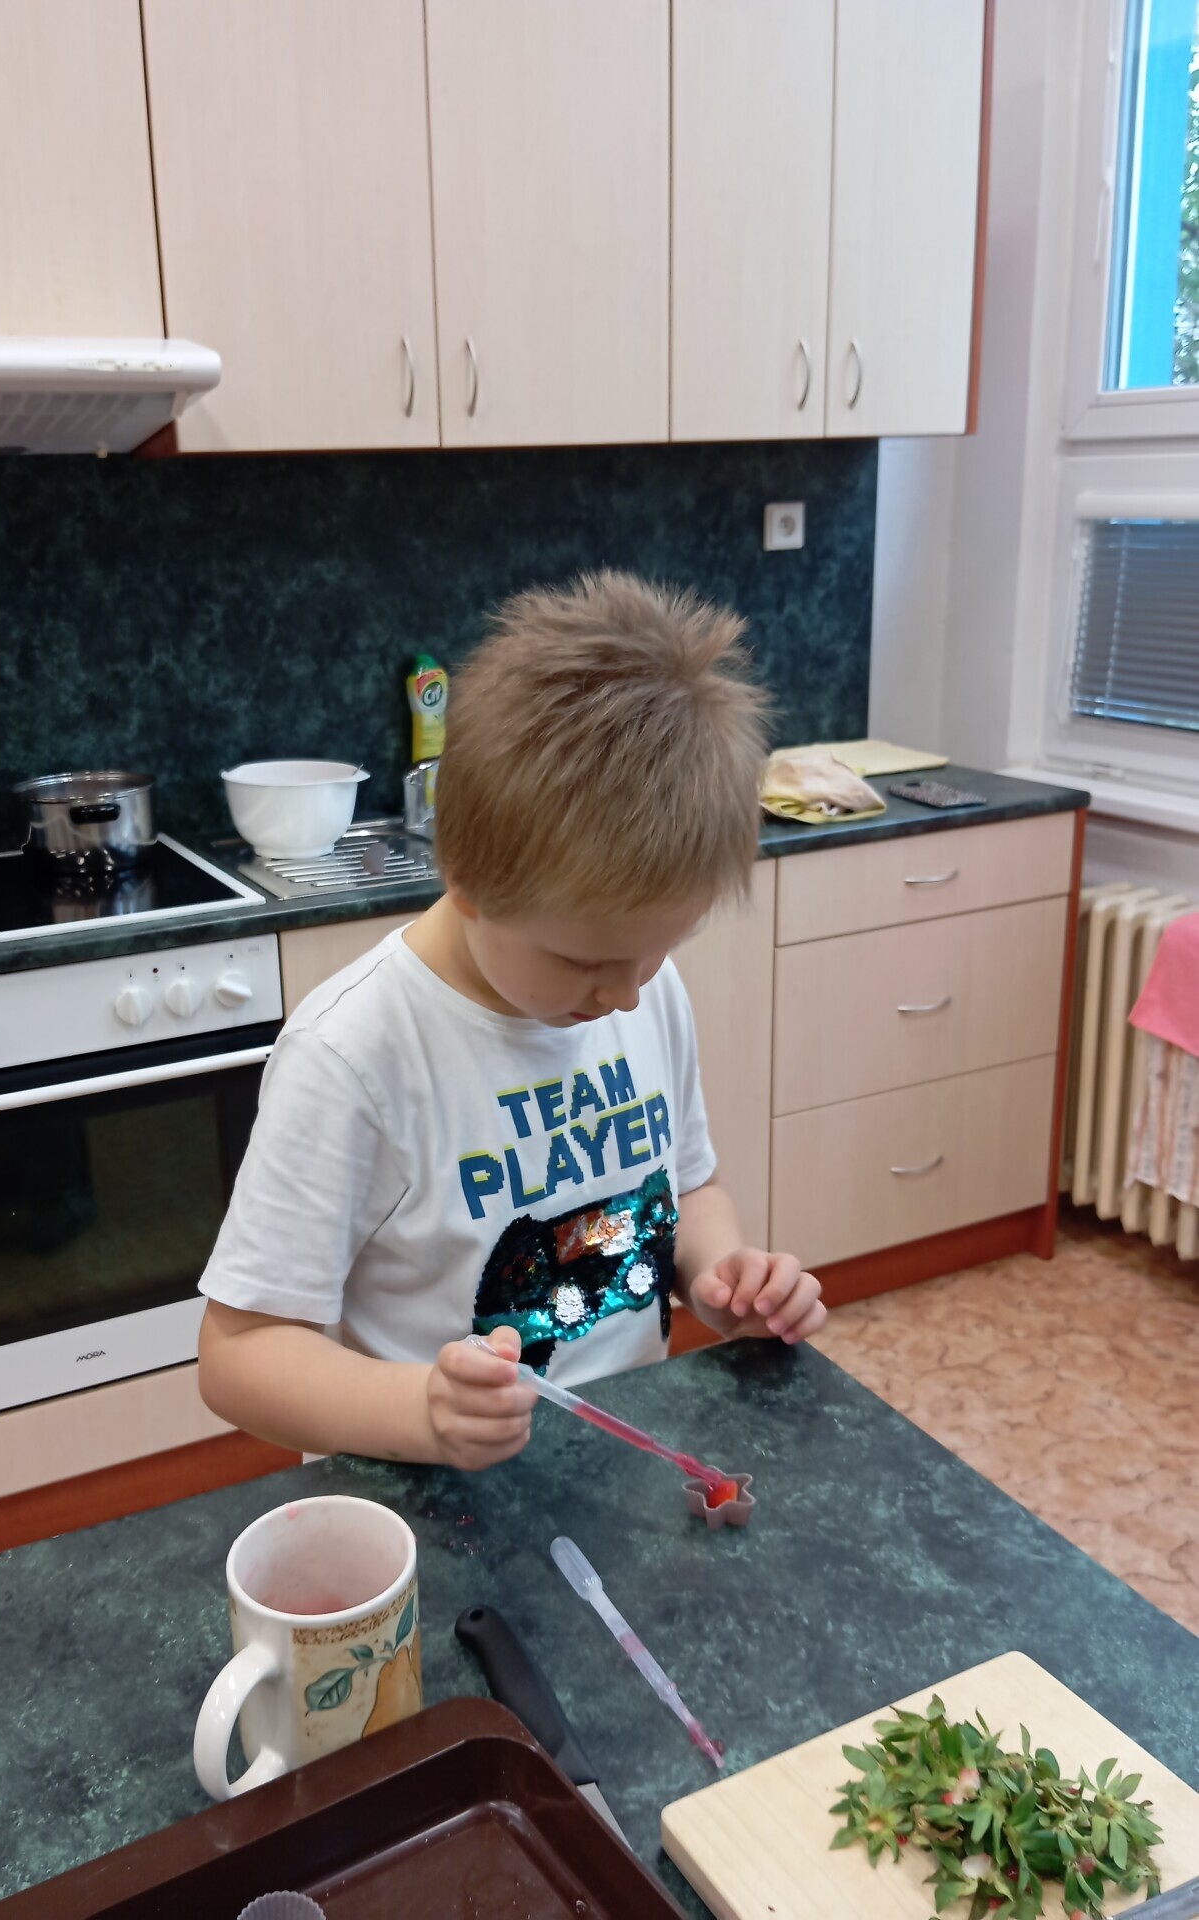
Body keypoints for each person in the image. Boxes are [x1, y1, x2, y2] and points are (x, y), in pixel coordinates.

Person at [198, 571, 826, 1472]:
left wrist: (723, 1276)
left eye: (659, 949)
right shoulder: (354, 1053)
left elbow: (689, 1189)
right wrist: (424, 1411)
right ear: (465, 877)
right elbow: (239, 1356)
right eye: (582, 962)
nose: (625, 994)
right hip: (432, 1496)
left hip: (622, 1464)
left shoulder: (645, 988)